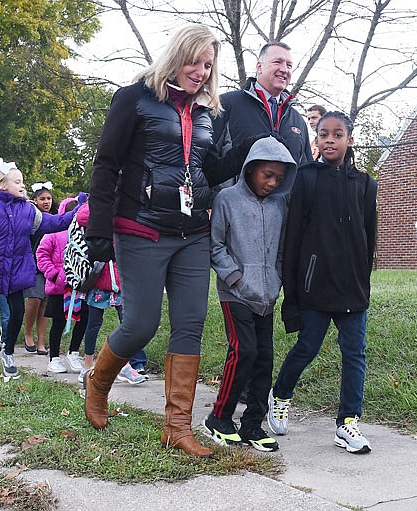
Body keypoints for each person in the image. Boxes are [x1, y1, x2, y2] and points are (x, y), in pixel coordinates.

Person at [84, 24, 247, 458]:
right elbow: (106, 166)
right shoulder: (134, 97)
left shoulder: (208, 111)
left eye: (208, 65)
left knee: (190, 324)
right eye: (195, 61)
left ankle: (177, 426)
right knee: (141, 324)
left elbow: (206, 171)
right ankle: (97, 383)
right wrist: (98, 229)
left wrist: (244, 150)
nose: (201, 71)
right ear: (176, 55)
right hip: (140, 227)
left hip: (192, 232)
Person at [268, 111, 378, 454]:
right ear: (315, 140)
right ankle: (280, 394)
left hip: (353, 289)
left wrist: (363, 276)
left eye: (337, 134)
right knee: (307, 347)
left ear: (350, 139)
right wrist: (293, 291)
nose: (330, 140)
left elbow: (369, 236)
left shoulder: (365, 184)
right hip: (314, 287)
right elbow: (293, 237)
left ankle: (347, 423)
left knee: (354, 354)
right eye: (323, 134)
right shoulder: (306, 178)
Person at [202, 136, 296, 453]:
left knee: (264, 359)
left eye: (279, 179)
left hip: (267, 296)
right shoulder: (227, 199)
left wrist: (277, 279)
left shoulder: (280, 206)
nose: (271, 183)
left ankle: (253, 425)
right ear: (250, 169)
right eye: (266, 175)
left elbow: (282, 251)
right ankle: (219, 418)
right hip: (235, 293)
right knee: (244, 351)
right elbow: (215, 246)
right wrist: (236, 278)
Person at [0, 159, 86, 383]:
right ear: (2, 184)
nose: (22, 185)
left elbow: (54, 222)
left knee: (17, 313)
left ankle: (8, 355)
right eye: (17, 181)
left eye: (23, 181)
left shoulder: (28, 210)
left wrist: (82, 209)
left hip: (15, 273)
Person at [213, 41, 312, 184]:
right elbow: (206, 162)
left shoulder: (298, 121)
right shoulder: (227, 104)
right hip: (232, 204)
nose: (284, 69)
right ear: (259, 67)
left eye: (289, 65)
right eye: (277, 62)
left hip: (284, 206)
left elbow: (305, 173)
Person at [74, 202, 147, 386]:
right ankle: (87, 365)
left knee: (128, 323)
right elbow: (81, 217)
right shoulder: (94, 204)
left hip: (121, 278)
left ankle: (126, 365)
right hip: (99, 278)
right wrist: (103, 209)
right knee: (93, 324)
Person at [36, 197, 89, 374]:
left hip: (80, 286)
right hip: (59, 287)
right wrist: (54, 274)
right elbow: (41, 255)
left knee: (83, 319)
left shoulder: (84, 233)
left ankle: (74, 352)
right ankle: (54, 357)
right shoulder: (52, 234)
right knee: (58, 321)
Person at [23, 181, 55, 355]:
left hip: (50, 267)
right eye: (42, 198)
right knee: (34, 298)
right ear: (35, 200)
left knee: (45, 303)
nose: (46, 202)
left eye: (49, 198)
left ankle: (42, 342)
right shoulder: (31, 218)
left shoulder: (55, 219)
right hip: (33, 265)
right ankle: (28, 334)